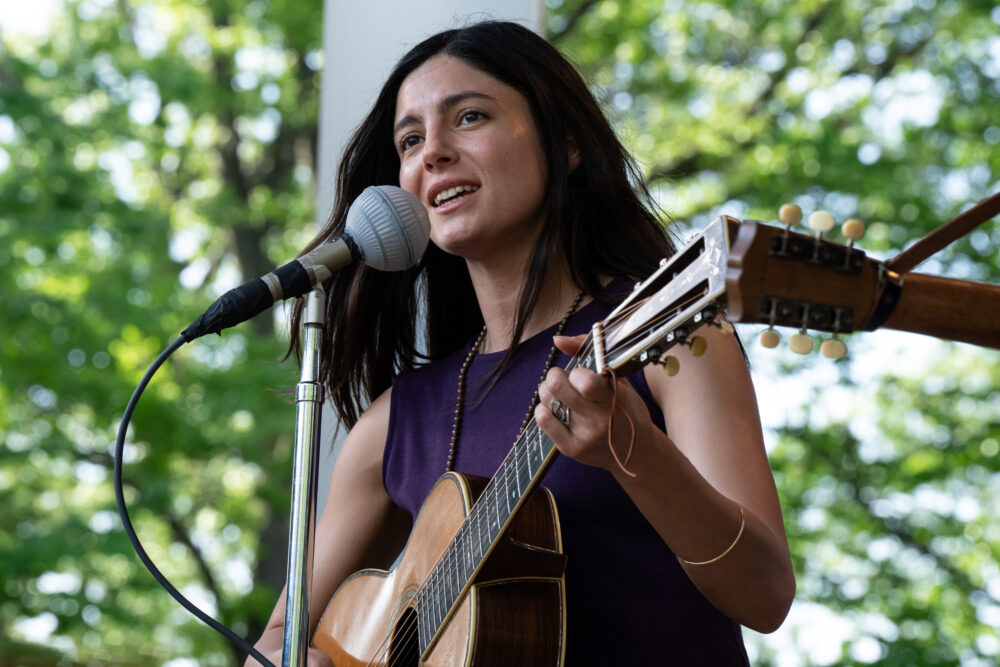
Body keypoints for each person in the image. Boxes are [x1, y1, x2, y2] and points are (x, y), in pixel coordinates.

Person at [248, 20, 794, 666]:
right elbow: (275, 641)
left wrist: (637, 452)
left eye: (470, 116)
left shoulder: (669, 338)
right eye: (411, 139)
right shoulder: (398, 420)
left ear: (566, 144)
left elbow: (765, 596)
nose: (433, 153)